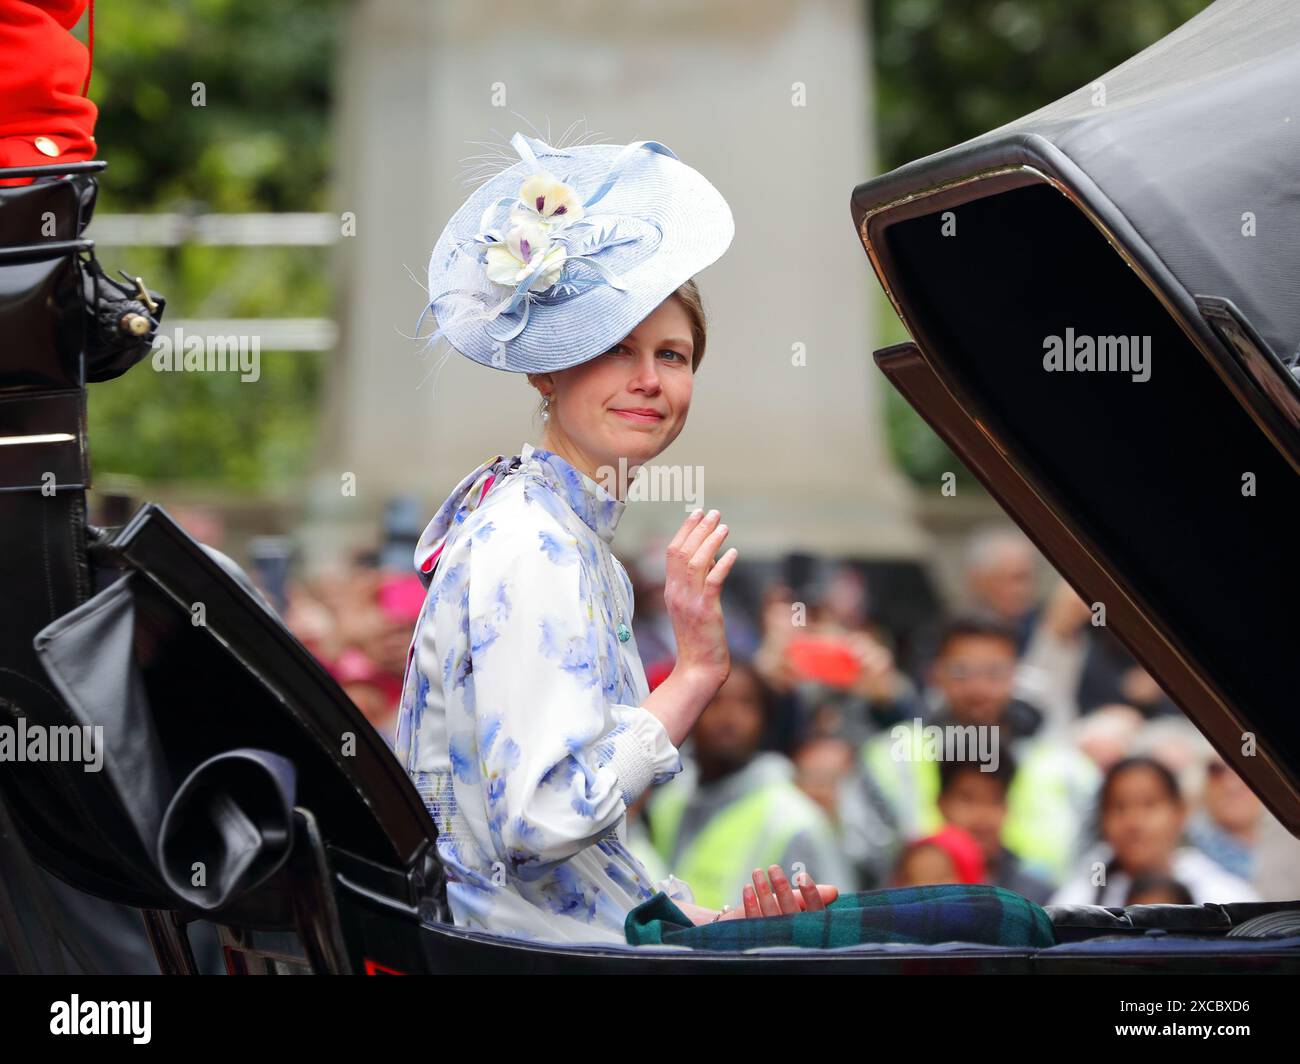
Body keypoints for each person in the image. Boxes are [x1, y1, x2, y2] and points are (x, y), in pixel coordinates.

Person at [391, 129, 838, 943]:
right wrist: (696, 675)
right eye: (616, 348)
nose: (649, 380)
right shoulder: (533, 545)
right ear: (546, 369)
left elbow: (561, 866)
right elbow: (541, 821)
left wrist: (706, 919)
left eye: (673, 354)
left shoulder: (558, 530)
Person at [642, 660, 856, 908]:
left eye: (746, 704)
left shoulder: (794, 819)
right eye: (714, 701)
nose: (728, 718)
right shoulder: (667, 802)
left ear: (765, 719)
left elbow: (832, 918)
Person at [1051, 756, 1259, 906]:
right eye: (1119, 807)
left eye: (1149, 804)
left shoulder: (1224, 896)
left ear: (1180, 812)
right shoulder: (1076, 902)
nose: (1133, 822)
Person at [935, 754, 1055, 905]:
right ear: (941, 804)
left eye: (994, 800)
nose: (982, 816)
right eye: (967, 799)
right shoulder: (910, 882)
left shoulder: (1037, 896)